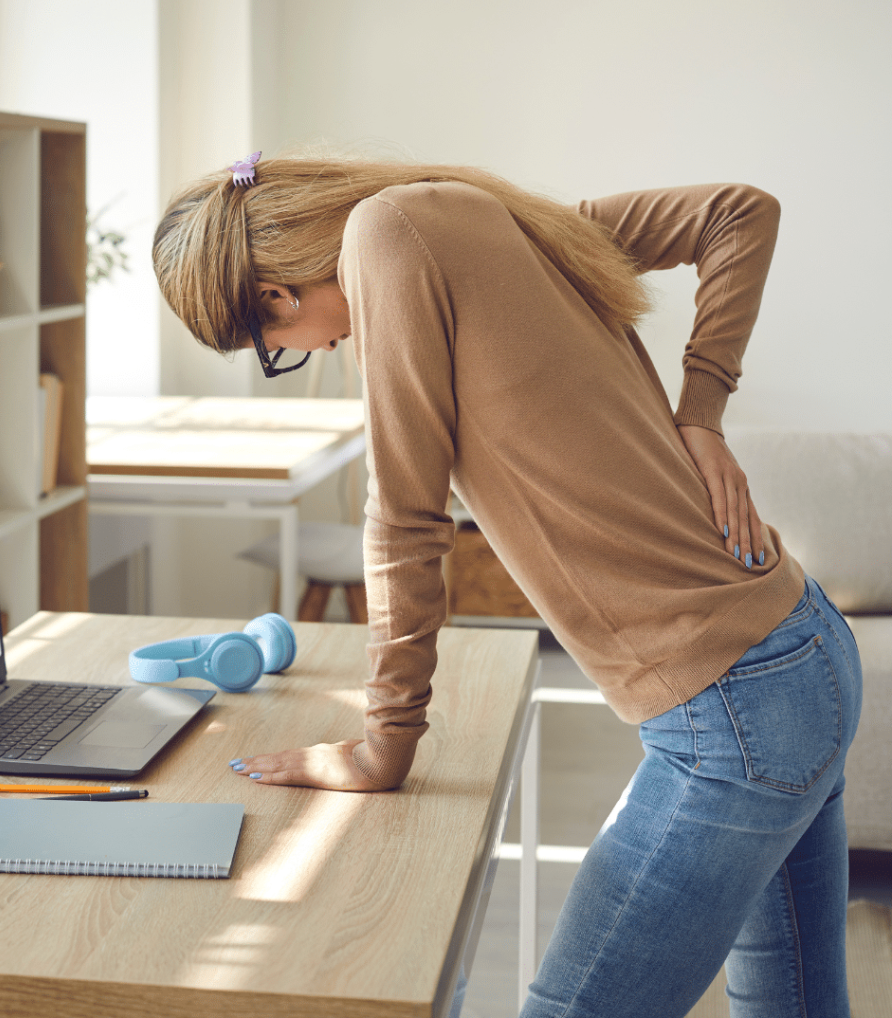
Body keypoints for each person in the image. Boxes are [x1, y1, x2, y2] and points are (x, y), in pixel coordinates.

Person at [152, 154, 862, 1018]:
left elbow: (405, 520)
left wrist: (384, 746)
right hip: (801, 653)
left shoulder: (387, 239)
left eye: (271, 352)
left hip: (737, 713)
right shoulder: (470, 213)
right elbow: (739, 212)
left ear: (273, 298)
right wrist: (699, 410)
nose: (318, 350)